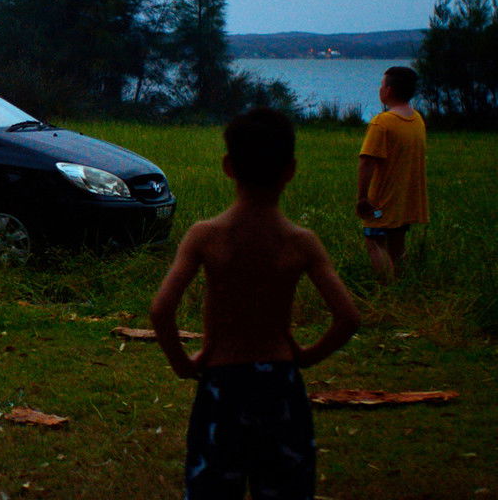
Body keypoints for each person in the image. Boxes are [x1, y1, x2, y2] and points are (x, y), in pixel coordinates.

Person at [151, 108, 359, 500]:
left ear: (228, 166)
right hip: (280, 383)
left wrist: (183, 363)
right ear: (291, 170)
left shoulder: (206, 236)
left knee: (212, 488)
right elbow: (347, 317)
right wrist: (308, 356)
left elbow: (162, 310)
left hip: (222, 381)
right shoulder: (302, 241)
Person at [357, 66, 428, 283]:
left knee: (374, 241)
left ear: (388, 91)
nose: (380, 89)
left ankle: (388, 286)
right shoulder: (416, 119)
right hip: (406, 199)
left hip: (382, 201)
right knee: (397, 242)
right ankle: (402, 282)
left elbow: (367, 161)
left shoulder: (382, 122)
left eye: (381, 85)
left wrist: (362, 197)